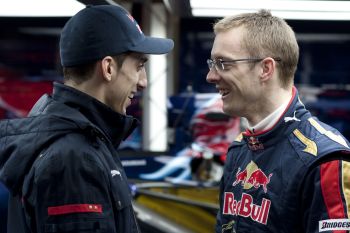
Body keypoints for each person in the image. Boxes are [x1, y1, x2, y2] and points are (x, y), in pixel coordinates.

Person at [0, 4, 173, 233]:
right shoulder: (74, 159)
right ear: (108, 68)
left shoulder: (75, 140)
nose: (143, 81)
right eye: (139, 66)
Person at [206, 9, 350, 233]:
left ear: (266, 69)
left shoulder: (325, 160)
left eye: (224, 63)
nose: (211, 76)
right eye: (212, 63)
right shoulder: (239, 149)